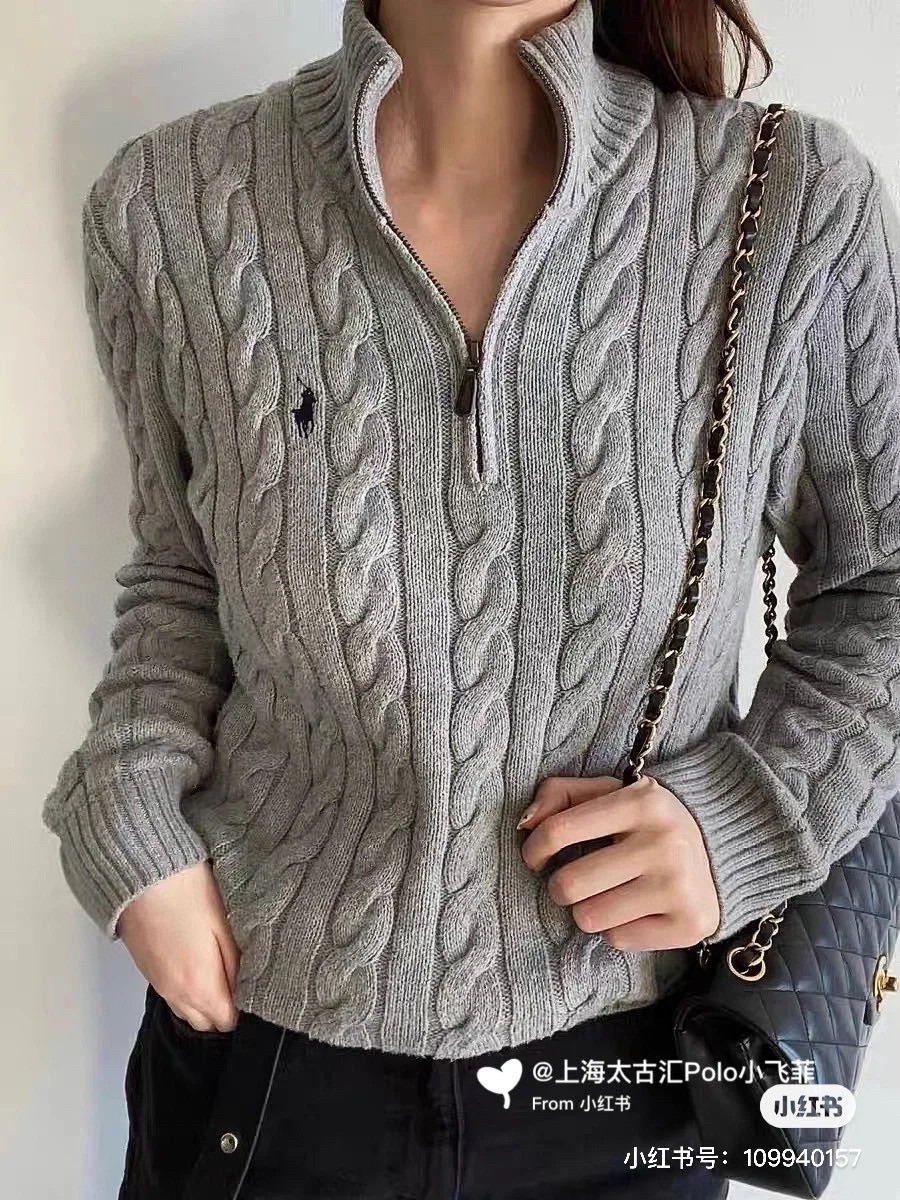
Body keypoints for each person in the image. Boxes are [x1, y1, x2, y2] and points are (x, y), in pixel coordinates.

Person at [42, 0, 900, 1197]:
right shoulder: (171, 203)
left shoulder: (791, 202)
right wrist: (133, 810)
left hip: (625, 1075)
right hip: (265, 1053)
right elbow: (183, 575)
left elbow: (882, 586)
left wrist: (750, 818)